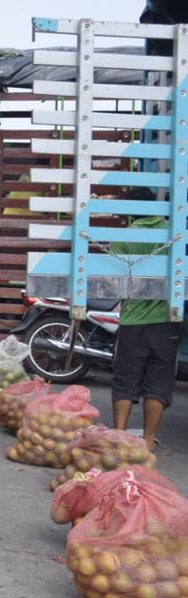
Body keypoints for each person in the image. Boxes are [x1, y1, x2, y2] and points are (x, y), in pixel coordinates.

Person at [110, 188, 181, 452]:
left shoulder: (123, 237)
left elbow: (113, 279)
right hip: (166, 321)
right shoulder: (172, 232)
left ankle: (119, 437)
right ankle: (149, 440)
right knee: (158, 381)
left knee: (126, 380)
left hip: (132, 322)